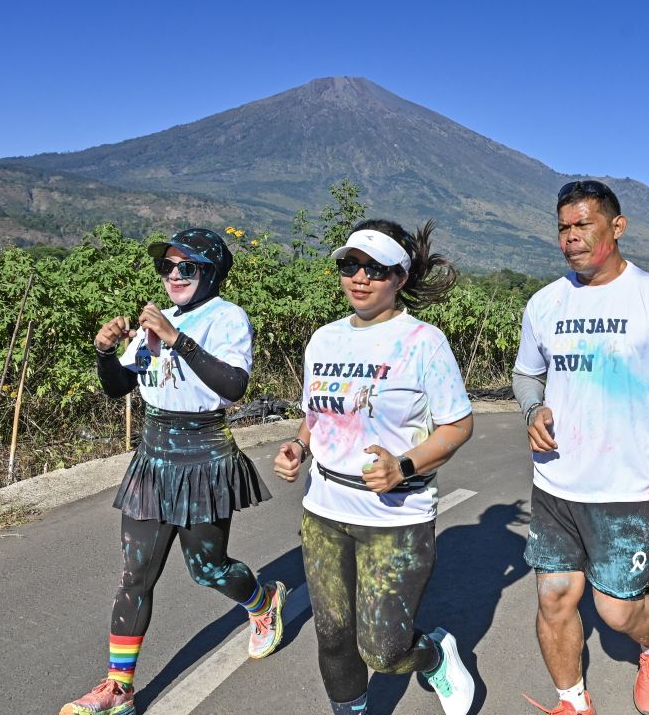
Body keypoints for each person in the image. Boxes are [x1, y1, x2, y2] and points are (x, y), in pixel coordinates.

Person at [61, 228, 285, 715]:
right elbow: (120, 386)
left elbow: (234, 385)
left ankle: (262, 601)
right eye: (168, 267)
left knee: (207, 568)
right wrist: (104, 352)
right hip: (154, 454)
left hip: (204, 454)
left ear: (211, 272)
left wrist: (175, 338)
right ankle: (118, 690)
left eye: (188, 267)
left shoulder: (226, 318)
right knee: (135, 575)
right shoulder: (152, 321)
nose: (175, 275)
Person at [512, 180, 649, 715]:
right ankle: (571, 701)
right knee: (554, 596)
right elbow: (526, 376)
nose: (570, 238)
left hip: (631, 491)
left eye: (583, 225)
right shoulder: (545, 303)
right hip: (555, 485)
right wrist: (533, 410)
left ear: (616, 227)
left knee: (619, 612)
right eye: (563, 227)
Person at [273, 219, 476, 715]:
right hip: (324, 510)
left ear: (401, 278)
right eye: (349, 265)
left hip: (395, 518)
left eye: (375, 268)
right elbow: (316, 415)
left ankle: (433, 655)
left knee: (383, 650)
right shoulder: (323, 340)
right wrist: (298, 447)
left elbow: (458, 425)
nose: (359, 278)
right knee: (334, 636)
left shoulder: (423, 342)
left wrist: (403, 465)